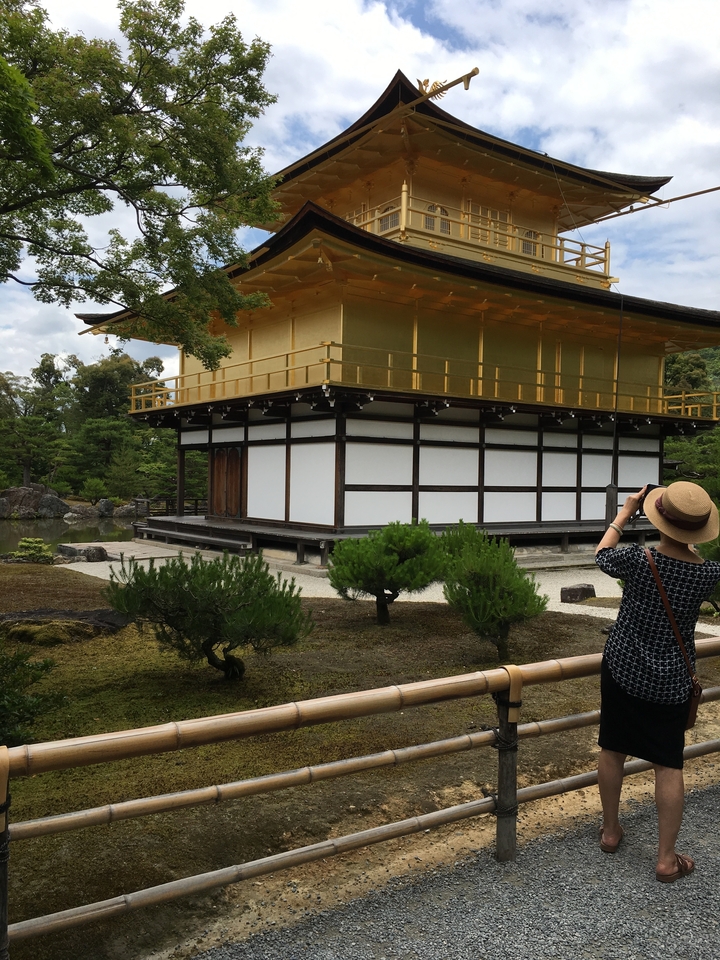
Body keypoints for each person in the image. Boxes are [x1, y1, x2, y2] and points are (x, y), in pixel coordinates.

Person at [594, 480, 720, 882]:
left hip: (623, 668)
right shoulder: (709, 573)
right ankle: (666, 859)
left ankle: (611, 832)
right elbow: (692, 557)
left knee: (612, 747)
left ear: (658, 519)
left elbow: (601, 555)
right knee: (668, 763)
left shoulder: (638, 559)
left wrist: (626, 511)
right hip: (671, 680)